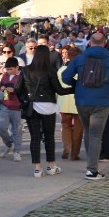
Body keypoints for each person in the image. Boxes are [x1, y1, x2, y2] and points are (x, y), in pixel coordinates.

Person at [61, 32, 109, 180]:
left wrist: (77, 84)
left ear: (89, 43)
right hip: (102, 101)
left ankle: (91, 163)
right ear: (104, 43)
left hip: (82, 100)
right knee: (96, 133)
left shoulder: (80, 58)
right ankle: (92, 169)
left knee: (89, 131)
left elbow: (65, 77)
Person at [16, 49, 70, 178]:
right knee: (49, 136)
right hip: (48, 105)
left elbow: (18, 88)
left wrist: (25, 100)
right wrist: (74, 88)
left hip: (32, 105)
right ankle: (51, 165)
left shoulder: (25, 70)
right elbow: (60, 90)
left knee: (34, 137)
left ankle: (37, 168)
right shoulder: (51, 71)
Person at [0, 58, 24, 162]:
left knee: (17, 130)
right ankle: (8, 144)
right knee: (1, 127)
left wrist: (15, 90)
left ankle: (17, 152)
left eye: (10, 69)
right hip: (5, 104)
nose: (8, 71)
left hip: (17, 107)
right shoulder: (5, 75)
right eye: (7, 69)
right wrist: (2, 87)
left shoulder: (22, 76)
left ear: (17, 67)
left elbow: (25, 90)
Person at [58, 46, 83, 161]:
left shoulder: (61, 70)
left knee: (65, 125)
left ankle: (67, 147)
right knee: (78, 127)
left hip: (63, 101)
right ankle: (75, 153)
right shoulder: (81, 69)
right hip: (77, 101)